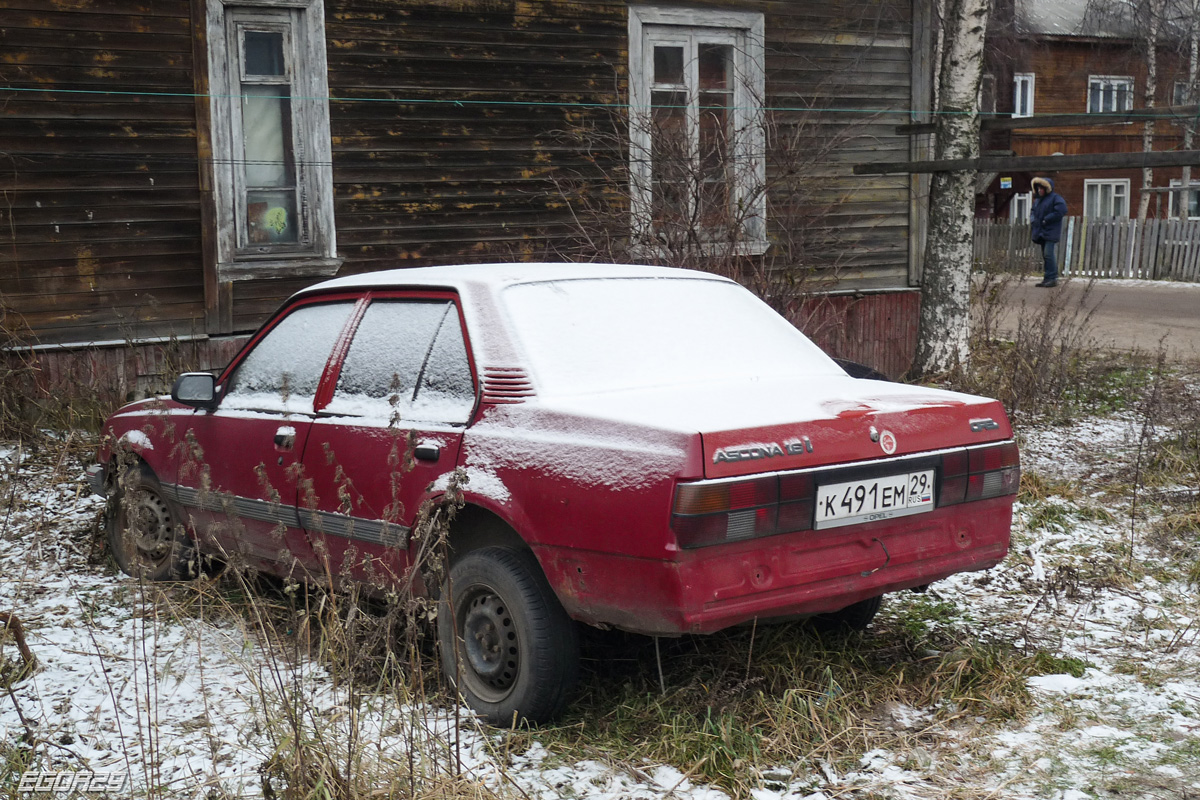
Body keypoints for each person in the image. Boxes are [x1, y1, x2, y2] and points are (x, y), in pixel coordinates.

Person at [1029, 176, 1068, 287]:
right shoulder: (1038, 201)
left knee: (1048, 254)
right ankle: (1047, 278)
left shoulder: (1055, 198)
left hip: (1050, 231)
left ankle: (1053, 278)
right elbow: (1033, 211)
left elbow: (1062, 210)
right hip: (1041, 231)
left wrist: (1047, 219)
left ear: (1047, 188)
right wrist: (1033, 220)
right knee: (1045, 255)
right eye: (1038, 188)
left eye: (1042, 188)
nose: (1040, 190)